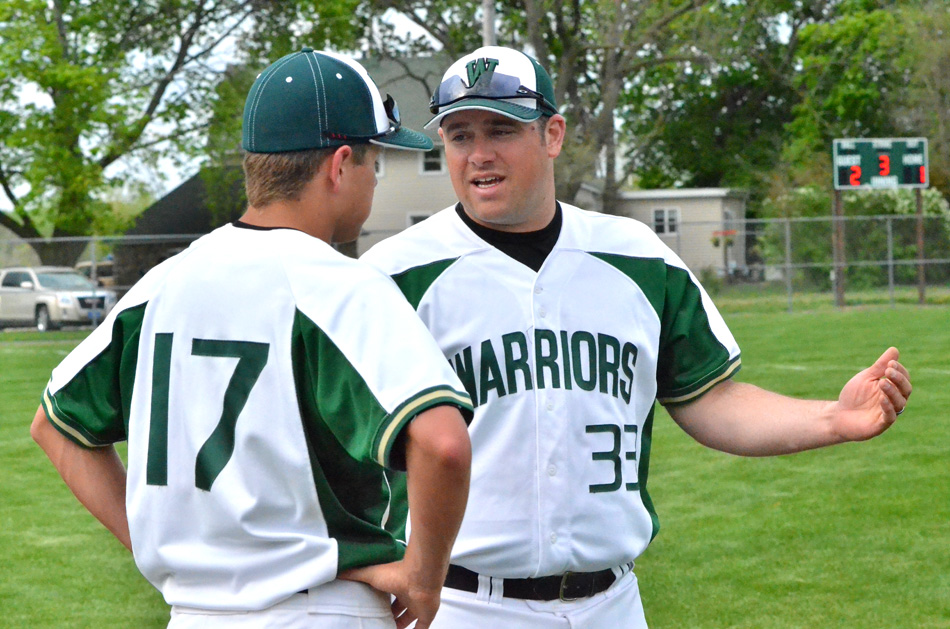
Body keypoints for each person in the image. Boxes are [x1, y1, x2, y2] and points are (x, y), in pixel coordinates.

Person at [360, 45, 913, 628]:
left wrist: (834, 418)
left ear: (552, 134)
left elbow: (711, 401)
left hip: (613, 604)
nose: (478, 154)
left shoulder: (638, 257)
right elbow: (331, 443)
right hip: (462, 604)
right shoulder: (393, 275)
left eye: (501, 129)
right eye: (459, 135)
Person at [31, 48, 474, 629]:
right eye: (375, 159)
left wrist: (152, 546)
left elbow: (54, 425)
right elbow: (444, 445)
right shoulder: (339, 285)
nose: (373, 174)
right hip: (320, 606)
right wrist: (424, 575)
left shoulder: (160, 285)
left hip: (194, 613)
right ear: (339, 165)